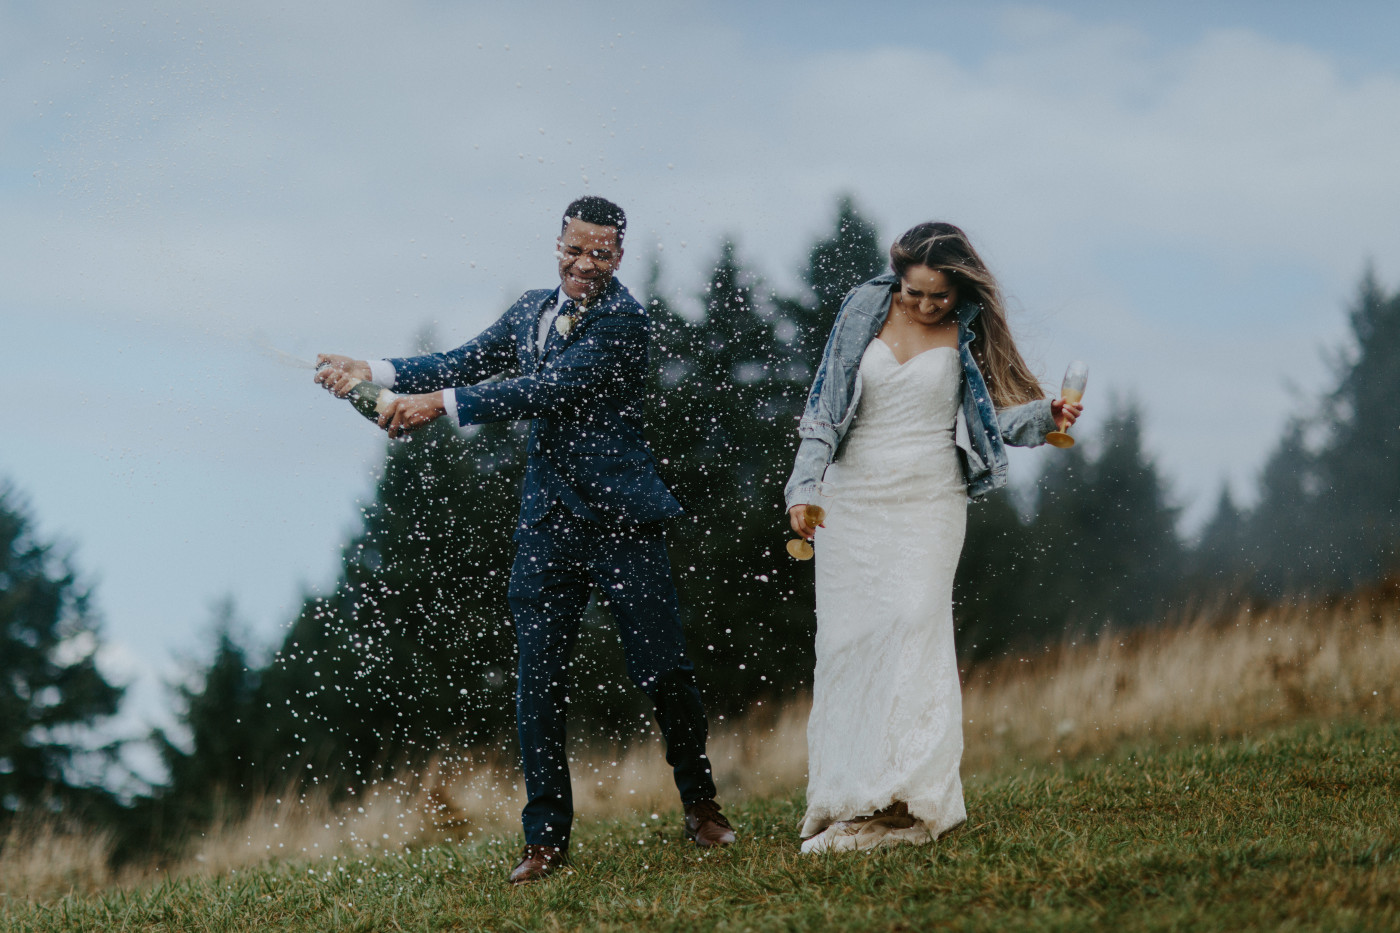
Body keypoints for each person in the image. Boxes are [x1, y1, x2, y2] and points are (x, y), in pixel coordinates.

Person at [316, 195, 735, 884]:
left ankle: (702, 804)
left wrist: (439, 409)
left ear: (619, 256)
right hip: (548, 526)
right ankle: (544, 839)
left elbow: (548, 388)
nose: (585, 263)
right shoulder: (530, 310)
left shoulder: (626, 322)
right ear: (558, 244)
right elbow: (465, 358)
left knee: (665, 670)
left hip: (624, 520)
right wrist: (374, 372)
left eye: (601, 252)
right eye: (574, 249)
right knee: (538, 682)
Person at [783, 222, 1082, 853]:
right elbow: (825, 406)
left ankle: (911, 803)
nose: (923, 305)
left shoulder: (968, 330)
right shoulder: (864, 308)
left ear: (960, 287)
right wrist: (804, 486)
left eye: (937, 296)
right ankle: (852, 797)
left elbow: (994, 420)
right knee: (848, 644)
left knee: (915, 623)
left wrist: (1045, 417)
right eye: (913, 292)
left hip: (928, 498)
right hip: (853, 498)